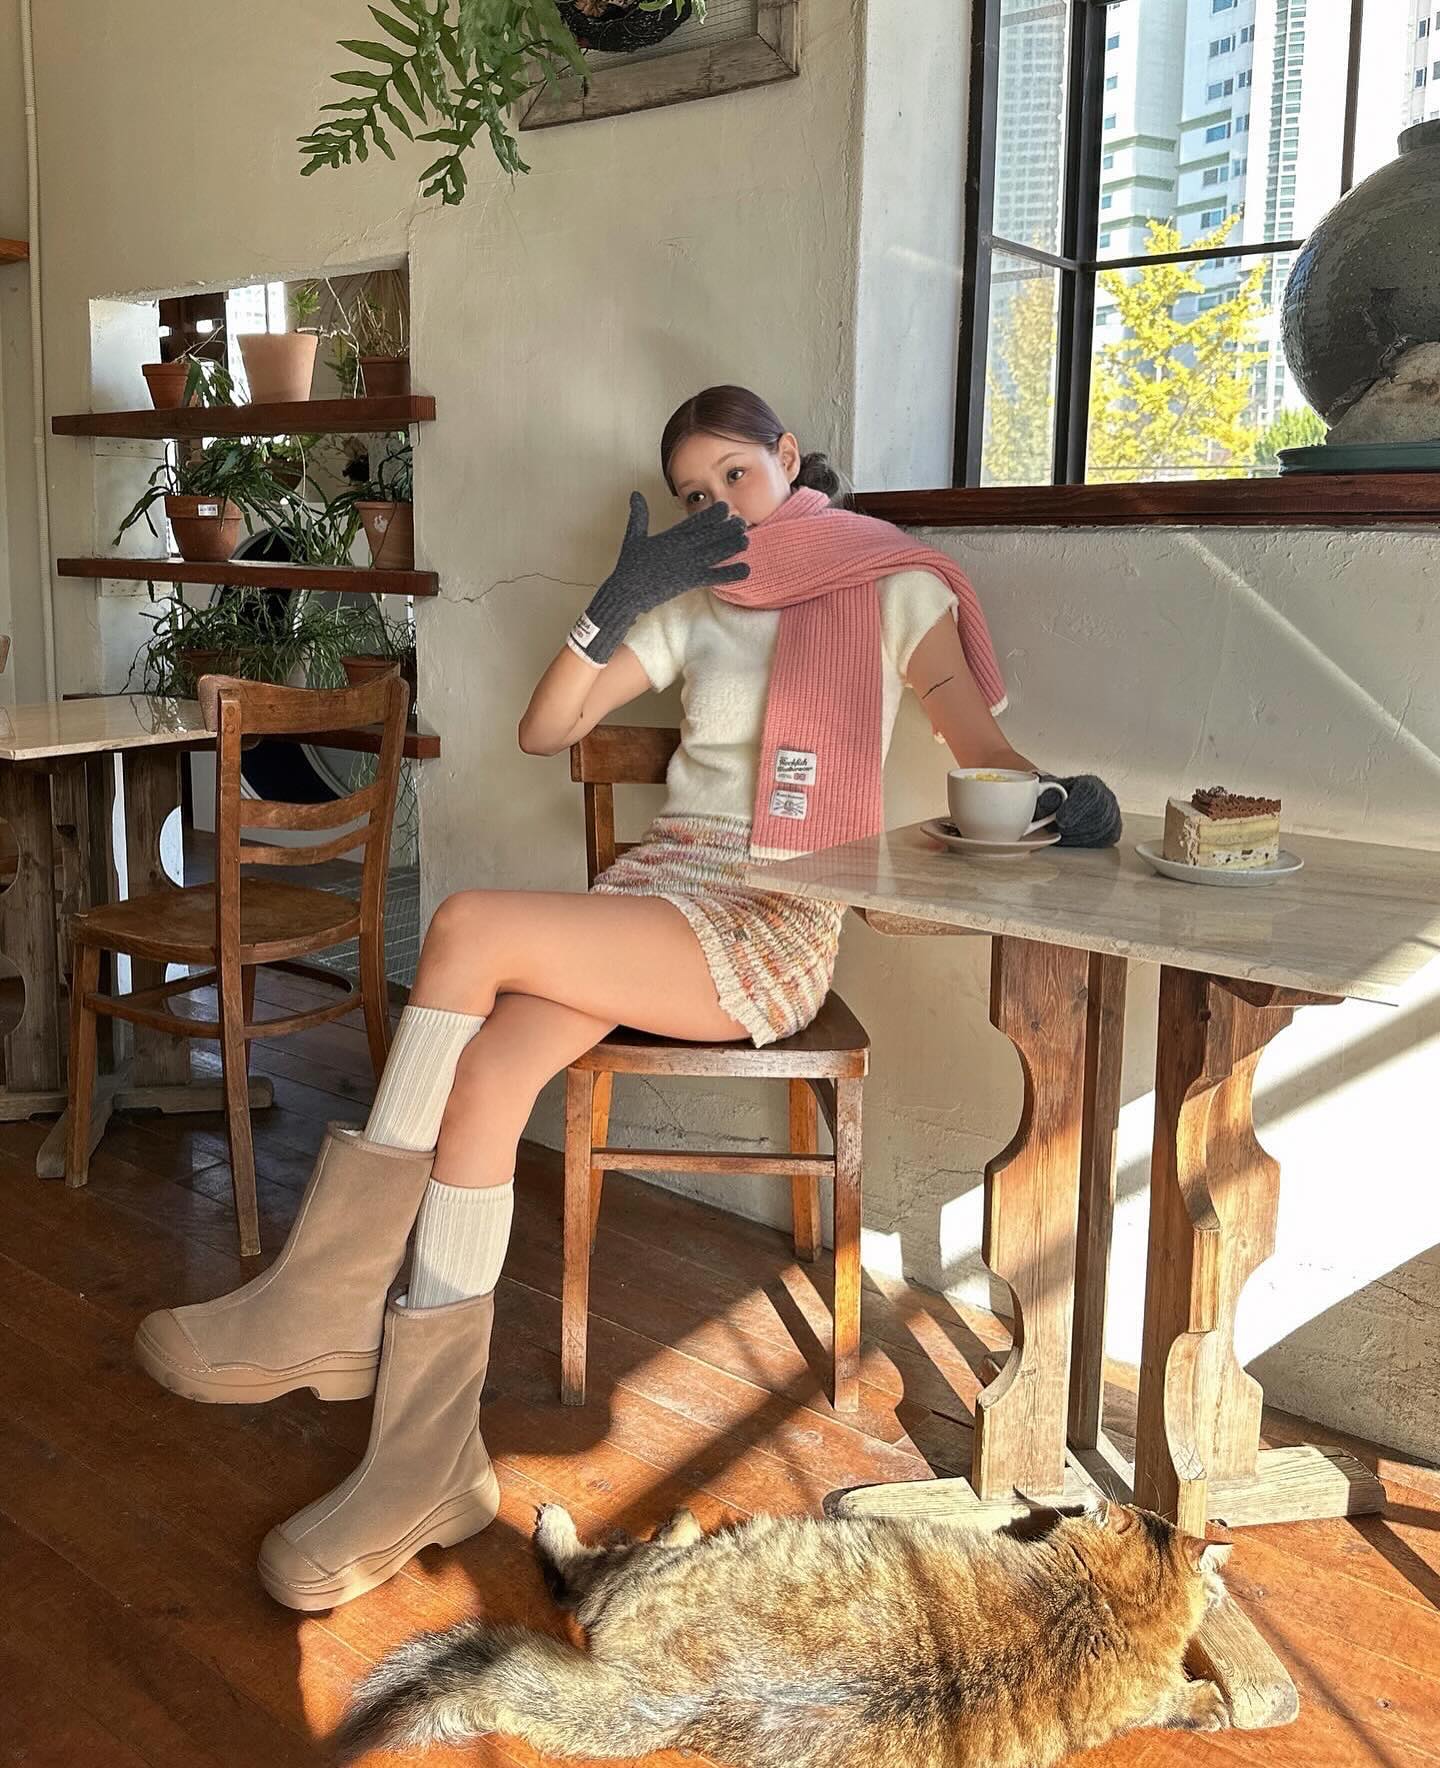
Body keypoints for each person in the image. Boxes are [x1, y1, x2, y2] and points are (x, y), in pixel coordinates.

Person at [131, 385, 1121, 1611]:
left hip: (771, 913)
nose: (718, 505)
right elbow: (546, 727)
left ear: (787, 457)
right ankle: (430, 1460)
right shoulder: (698, 596)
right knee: (488, 1073)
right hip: (657, 891)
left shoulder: (888, 582)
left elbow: (978, 747)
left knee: (466, 926)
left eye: (735, 476)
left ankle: (330, 1301)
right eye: (695, 493)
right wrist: (620, 598)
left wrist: (1059, 801)